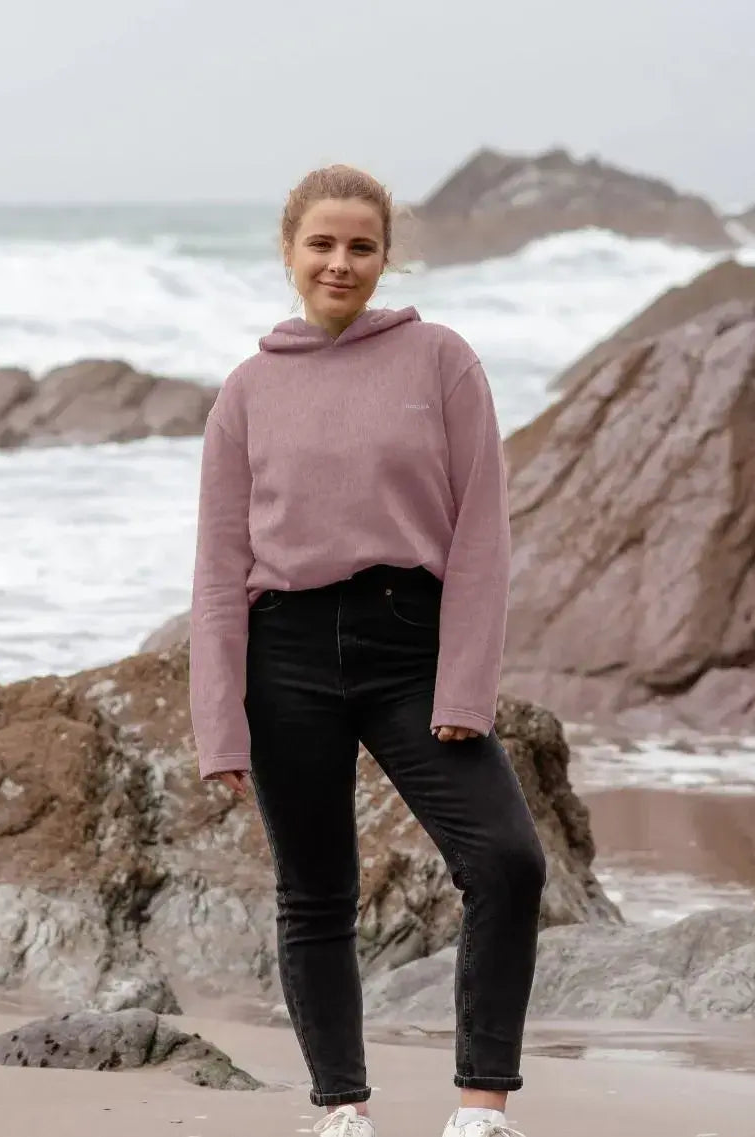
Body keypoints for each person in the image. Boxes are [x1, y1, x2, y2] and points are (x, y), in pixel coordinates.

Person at [189, 164, 546, 1137]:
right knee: (315, 895)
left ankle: (481, 1107)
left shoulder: (440, 360)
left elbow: (483, 536)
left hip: (409, 648)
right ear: (289, 252)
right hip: (286, 655)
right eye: (322, 244)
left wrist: (466, 684)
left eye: (360, 246)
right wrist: (219, 720)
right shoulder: (248, 390)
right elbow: (219, 568)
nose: (339, 263)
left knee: (507, 861)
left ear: (386, 258)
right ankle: (341, 1109)